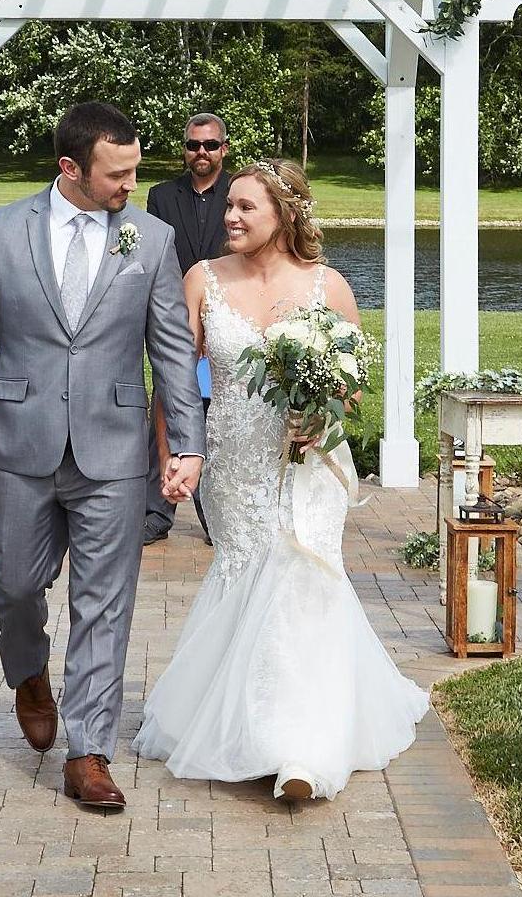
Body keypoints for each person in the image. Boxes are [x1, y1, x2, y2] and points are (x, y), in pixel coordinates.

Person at [133, 159, 428, 801]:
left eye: (246, 207)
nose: (231, 217)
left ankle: (297, 747)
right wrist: (171, 454)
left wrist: (322, 413)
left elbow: (352, 387)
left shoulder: (328, 287)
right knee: (247, 570)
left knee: (302, 574)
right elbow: (175, 380)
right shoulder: (202, 279)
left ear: (285, 214)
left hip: (311, 464)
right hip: (234, 464)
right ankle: (241, 722)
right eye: (229, 206)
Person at [0, 102, 206, 810]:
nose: (131, 184)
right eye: (117, 174)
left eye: (135, 170)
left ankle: (88, 752)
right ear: (69, 167)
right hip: (18, 441)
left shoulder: (151, 238)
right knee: (15, 585)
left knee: (104, 602)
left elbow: (172, 349)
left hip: (113, 450)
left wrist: (186, 443)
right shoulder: (0, 231)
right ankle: (29, 673)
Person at [143, 113, 231, 546]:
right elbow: (153, 257)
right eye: (194, 144)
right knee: (166, 406)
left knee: (219, 416)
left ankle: (215, 514)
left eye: (210, 145)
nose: (202, 152)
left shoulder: (238, 194)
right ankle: (156, 511)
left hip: (227, 317)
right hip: (173, 319)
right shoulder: (162, 196)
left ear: (223, 149)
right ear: (185, 149)